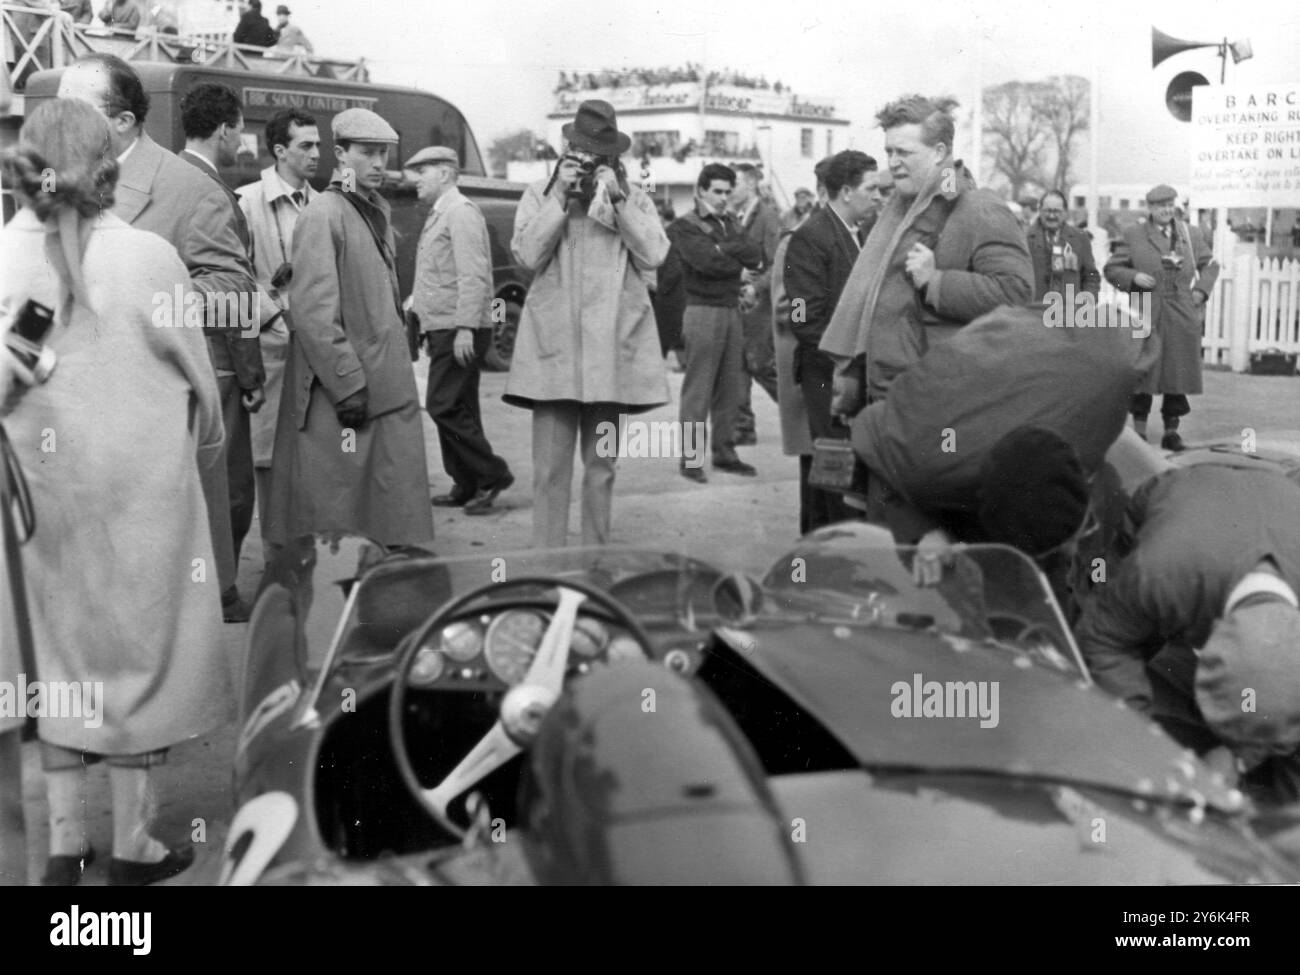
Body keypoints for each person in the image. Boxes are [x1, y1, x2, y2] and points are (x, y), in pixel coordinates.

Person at [0, 98, 231, 885]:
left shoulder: (4, 256)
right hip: (141, 494)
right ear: (109, 167)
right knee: (140, 657)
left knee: (58, 657)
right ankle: (135, 844)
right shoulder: (149, 257)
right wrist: (201, 447)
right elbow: (202, 387)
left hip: (38, 499)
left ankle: (65, 843)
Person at [58, 53, 259, 622]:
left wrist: (142, 298)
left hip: (146, 418)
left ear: (123, 121)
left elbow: (236, 294)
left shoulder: (189, 189)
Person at [1075, 464, 1300, 804]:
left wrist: (1237, 756)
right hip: (1183, 495)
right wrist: (1137, 747)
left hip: (1275, 501)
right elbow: (1104, 641)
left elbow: (1281, 695)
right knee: (1115, 633)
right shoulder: (1156, 573)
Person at [266, 108, 434, 549]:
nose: (378, 163)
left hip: (384, 385)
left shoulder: (369, 207)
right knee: (340, 517)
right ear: (340, 155)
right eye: (367, 153)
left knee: (384, 513)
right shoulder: (325, 213)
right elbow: (314, 313)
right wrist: (347, 384)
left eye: (383, 153)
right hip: (349, 389)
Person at [505, 99, 669, 547]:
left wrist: (618, 200)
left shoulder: (634, 197)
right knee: (549, 470)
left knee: (602, 468)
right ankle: (547, 565)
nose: (591, 162)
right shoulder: (539, 193)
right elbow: (526, 257)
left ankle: (594, 562)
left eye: (600, 155)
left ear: (614, 158)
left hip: (611, 353)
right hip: (553, 353)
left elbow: (654, 255)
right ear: (567, 151)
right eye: (582, 152)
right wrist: (559, 195)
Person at [819, 94, 1033, 415]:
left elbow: (1016, 292)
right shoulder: (900, 211)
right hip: (889, 393)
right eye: (889, 151)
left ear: (939, 153)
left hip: (939, 400)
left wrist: (936, 281)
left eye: (904, 152)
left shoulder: (979, 207)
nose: (892, 162)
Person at [180, 82, 271, 590]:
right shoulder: (212, 193)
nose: (241, 141)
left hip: (176, 355)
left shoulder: (165, 179)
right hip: (218, 360)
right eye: (239, 130)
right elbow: (234, 292)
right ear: (223, 130)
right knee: (232, 483)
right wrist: (251, 374)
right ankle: (225, 590)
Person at [406, 144, 514, 515]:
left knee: (441, 404)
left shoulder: (460, 212)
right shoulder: (442, 213)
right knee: (460, 405)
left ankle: (491, 474)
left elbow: (474, 274)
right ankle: (466, 483)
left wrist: (466, 327)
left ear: (445, 173)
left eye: (422, 171)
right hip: (444, 325)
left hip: (457, 327)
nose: (415, 179)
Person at [782, 151, 885, 532]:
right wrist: (848, 358)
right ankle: (833, 545)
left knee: (827, 467)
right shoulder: (810, 237)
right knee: (835, 467)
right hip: (827, 373)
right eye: (871, 189)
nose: (878, 197)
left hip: (847, 371)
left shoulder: (861, 234)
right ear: (846, 191)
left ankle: (819, 543)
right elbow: (801, 318)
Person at [237, 108, 319, 541]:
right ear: (280, 151)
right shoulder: (247, 203)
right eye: (306, 145)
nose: (316, 153)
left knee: (312, 453)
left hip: (315, 351)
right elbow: (233, 282)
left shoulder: (324, 205)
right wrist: (274, 315)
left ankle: (304, 555)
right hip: (271, 350)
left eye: (318, 144)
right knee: (267, 457)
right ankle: (276, 557)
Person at [1103, 184, 1219, 451]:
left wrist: (1200, 291)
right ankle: (1140, 432)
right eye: (1160, 206)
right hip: (1146, 309)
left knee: (1177, 374)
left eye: (1169, 205)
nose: (1166, 210)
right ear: (1150, 208)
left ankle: (1171, 432)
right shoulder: (1134, 234)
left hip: (1181, 310)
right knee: (1143, 371)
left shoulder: (1190, 234)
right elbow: (1111, 270)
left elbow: (1211, 265)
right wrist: (1132, 277)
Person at [669, 162, 763, 483]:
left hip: (730, 308)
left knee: (730, 387)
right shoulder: (684, 225)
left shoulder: (730, 222)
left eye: (727, 192)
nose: (723, 198)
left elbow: (755, 253)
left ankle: (725, 452)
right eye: (717, 192)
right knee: (698, 388)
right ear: (701, 191)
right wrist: (734, 260)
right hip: (702, 310)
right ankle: (691, 458)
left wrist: (724, 250)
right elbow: (706, 262)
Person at [730, 161, 782, 446]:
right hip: (737, 300)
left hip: (759, 304)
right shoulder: (732, 217)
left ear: (750, 184)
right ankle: (742, 426)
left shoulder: (767, 217)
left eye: (735, 183)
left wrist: (756, 286)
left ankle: (801, 411)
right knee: (736, 364)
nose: (729, 190)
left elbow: (778, 263)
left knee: (761, 363)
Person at [1026, 188, 1099, 302]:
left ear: (1065, 213)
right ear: (1039, 211)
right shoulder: (1025, 238)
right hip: (1034, 309)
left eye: (1057, 211)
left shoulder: (1080, 238)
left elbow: (1091, 277)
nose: (1051, 216)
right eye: (1047, 211)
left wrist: (1085, 304)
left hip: (1069, 310)